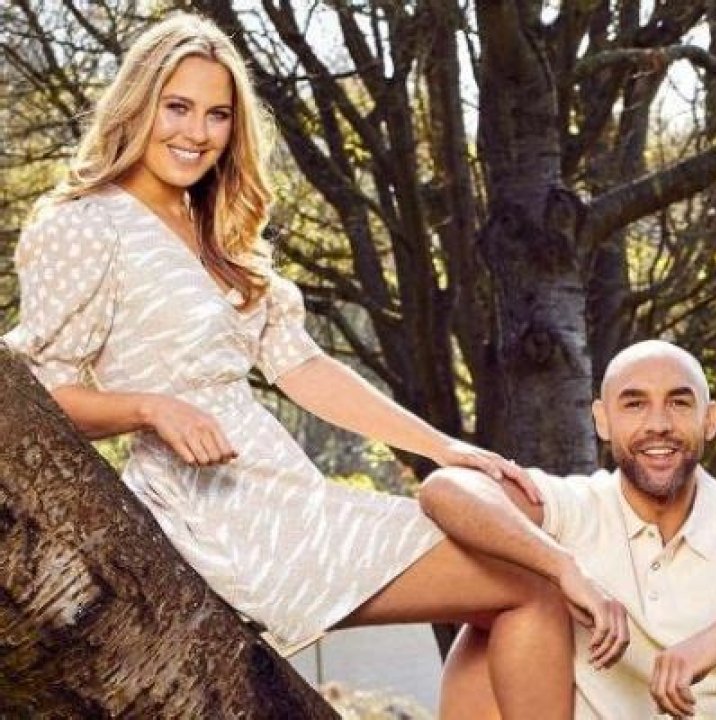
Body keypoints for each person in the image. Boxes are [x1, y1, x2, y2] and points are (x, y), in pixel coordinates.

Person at [3, 13, 627, 718]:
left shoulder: (213, 227)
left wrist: (443, 447)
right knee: (529, 589)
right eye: (176, 107)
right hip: (215, 514)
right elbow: (42, 396)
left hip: (285, 491)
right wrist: (150, 407)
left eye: (216, 115)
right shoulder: (86, 224)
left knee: (516, 586)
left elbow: (302, 366)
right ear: (137, 105)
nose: (196, 133)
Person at [421, 340, 716, 718]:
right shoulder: (577, 506)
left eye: (679, 403)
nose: (658, 425)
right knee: (502, 601)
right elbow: (447, 488)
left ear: (710, 420)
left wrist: (711, 643)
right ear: (602, 420)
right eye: (634, 404)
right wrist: (563, 568)